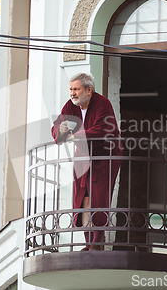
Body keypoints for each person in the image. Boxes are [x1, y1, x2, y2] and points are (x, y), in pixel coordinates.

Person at [51, 73, 121, 251]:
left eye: (76, 89)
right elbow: (57, 127)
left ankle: (97, 244)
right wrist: (61, 130)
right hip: (83, 156)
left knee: (98, 196)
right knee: (83, 197)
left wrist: (76, 136)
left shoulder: (102, 103)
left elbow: (103, 129)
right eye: (71, 90)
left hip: (105, 156)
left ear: (88, 90)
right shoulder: (70, 105)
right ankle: (88, 242)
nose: (72, 93)